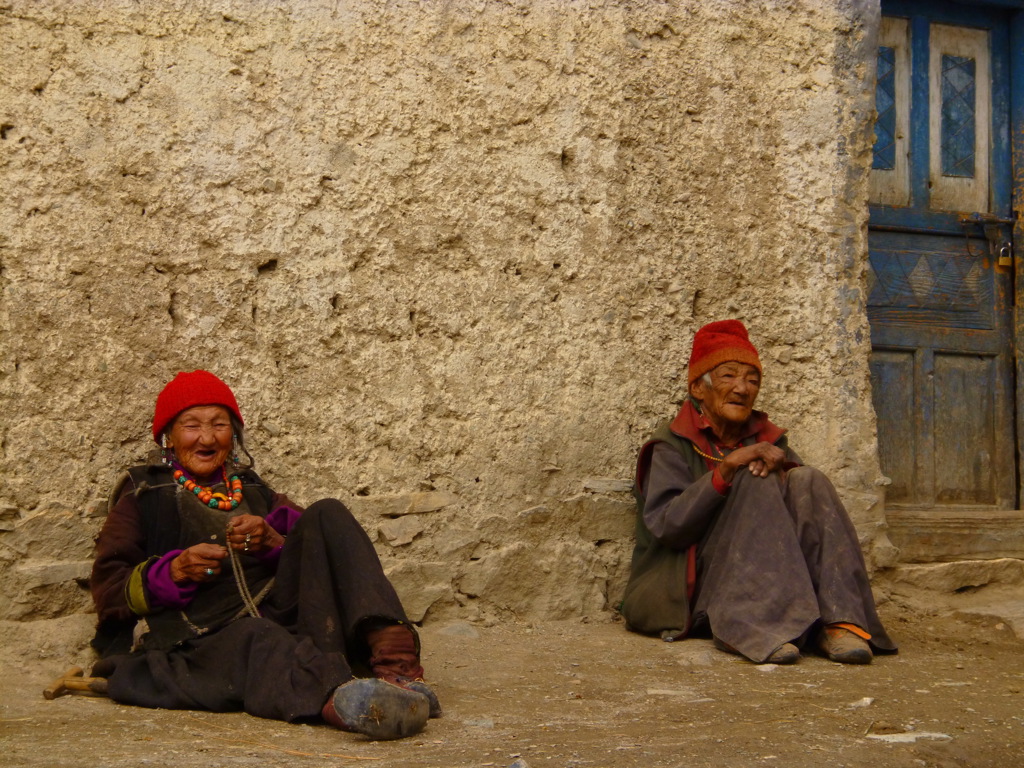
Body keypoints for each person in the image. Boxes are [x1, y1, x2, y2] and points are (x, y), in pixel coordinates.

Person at [90, 370, 440, 739]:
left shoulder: (253, 488)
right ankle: (352, 704)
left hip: (279, 617)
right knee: (257, 638)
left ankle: (400, 674)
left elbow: (315, 550)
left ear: (233, 433)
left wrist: (274, 542)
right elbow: (110, 590)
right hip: (206, 640)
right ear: (168, 436)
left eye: (219, 425)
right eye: (191, 425)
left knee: (328, 512)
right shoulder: (144, 493)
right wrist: (173, 570)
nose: (207, 438)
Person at [621, 320, 896, 665]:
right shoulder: (670, 445)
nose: (742, 388)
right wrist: (726, 470)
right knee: (753, 477)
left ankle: (838, 621)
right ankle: (754, 625)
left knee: (808, 479)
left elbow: (801, 510)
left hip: (771, 579)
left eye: (752, 380)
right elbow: (668, 527)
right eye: (728, 376)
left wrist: (782, 469)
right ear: (697, 387)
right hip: (696, 586)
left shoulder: (766, 439)